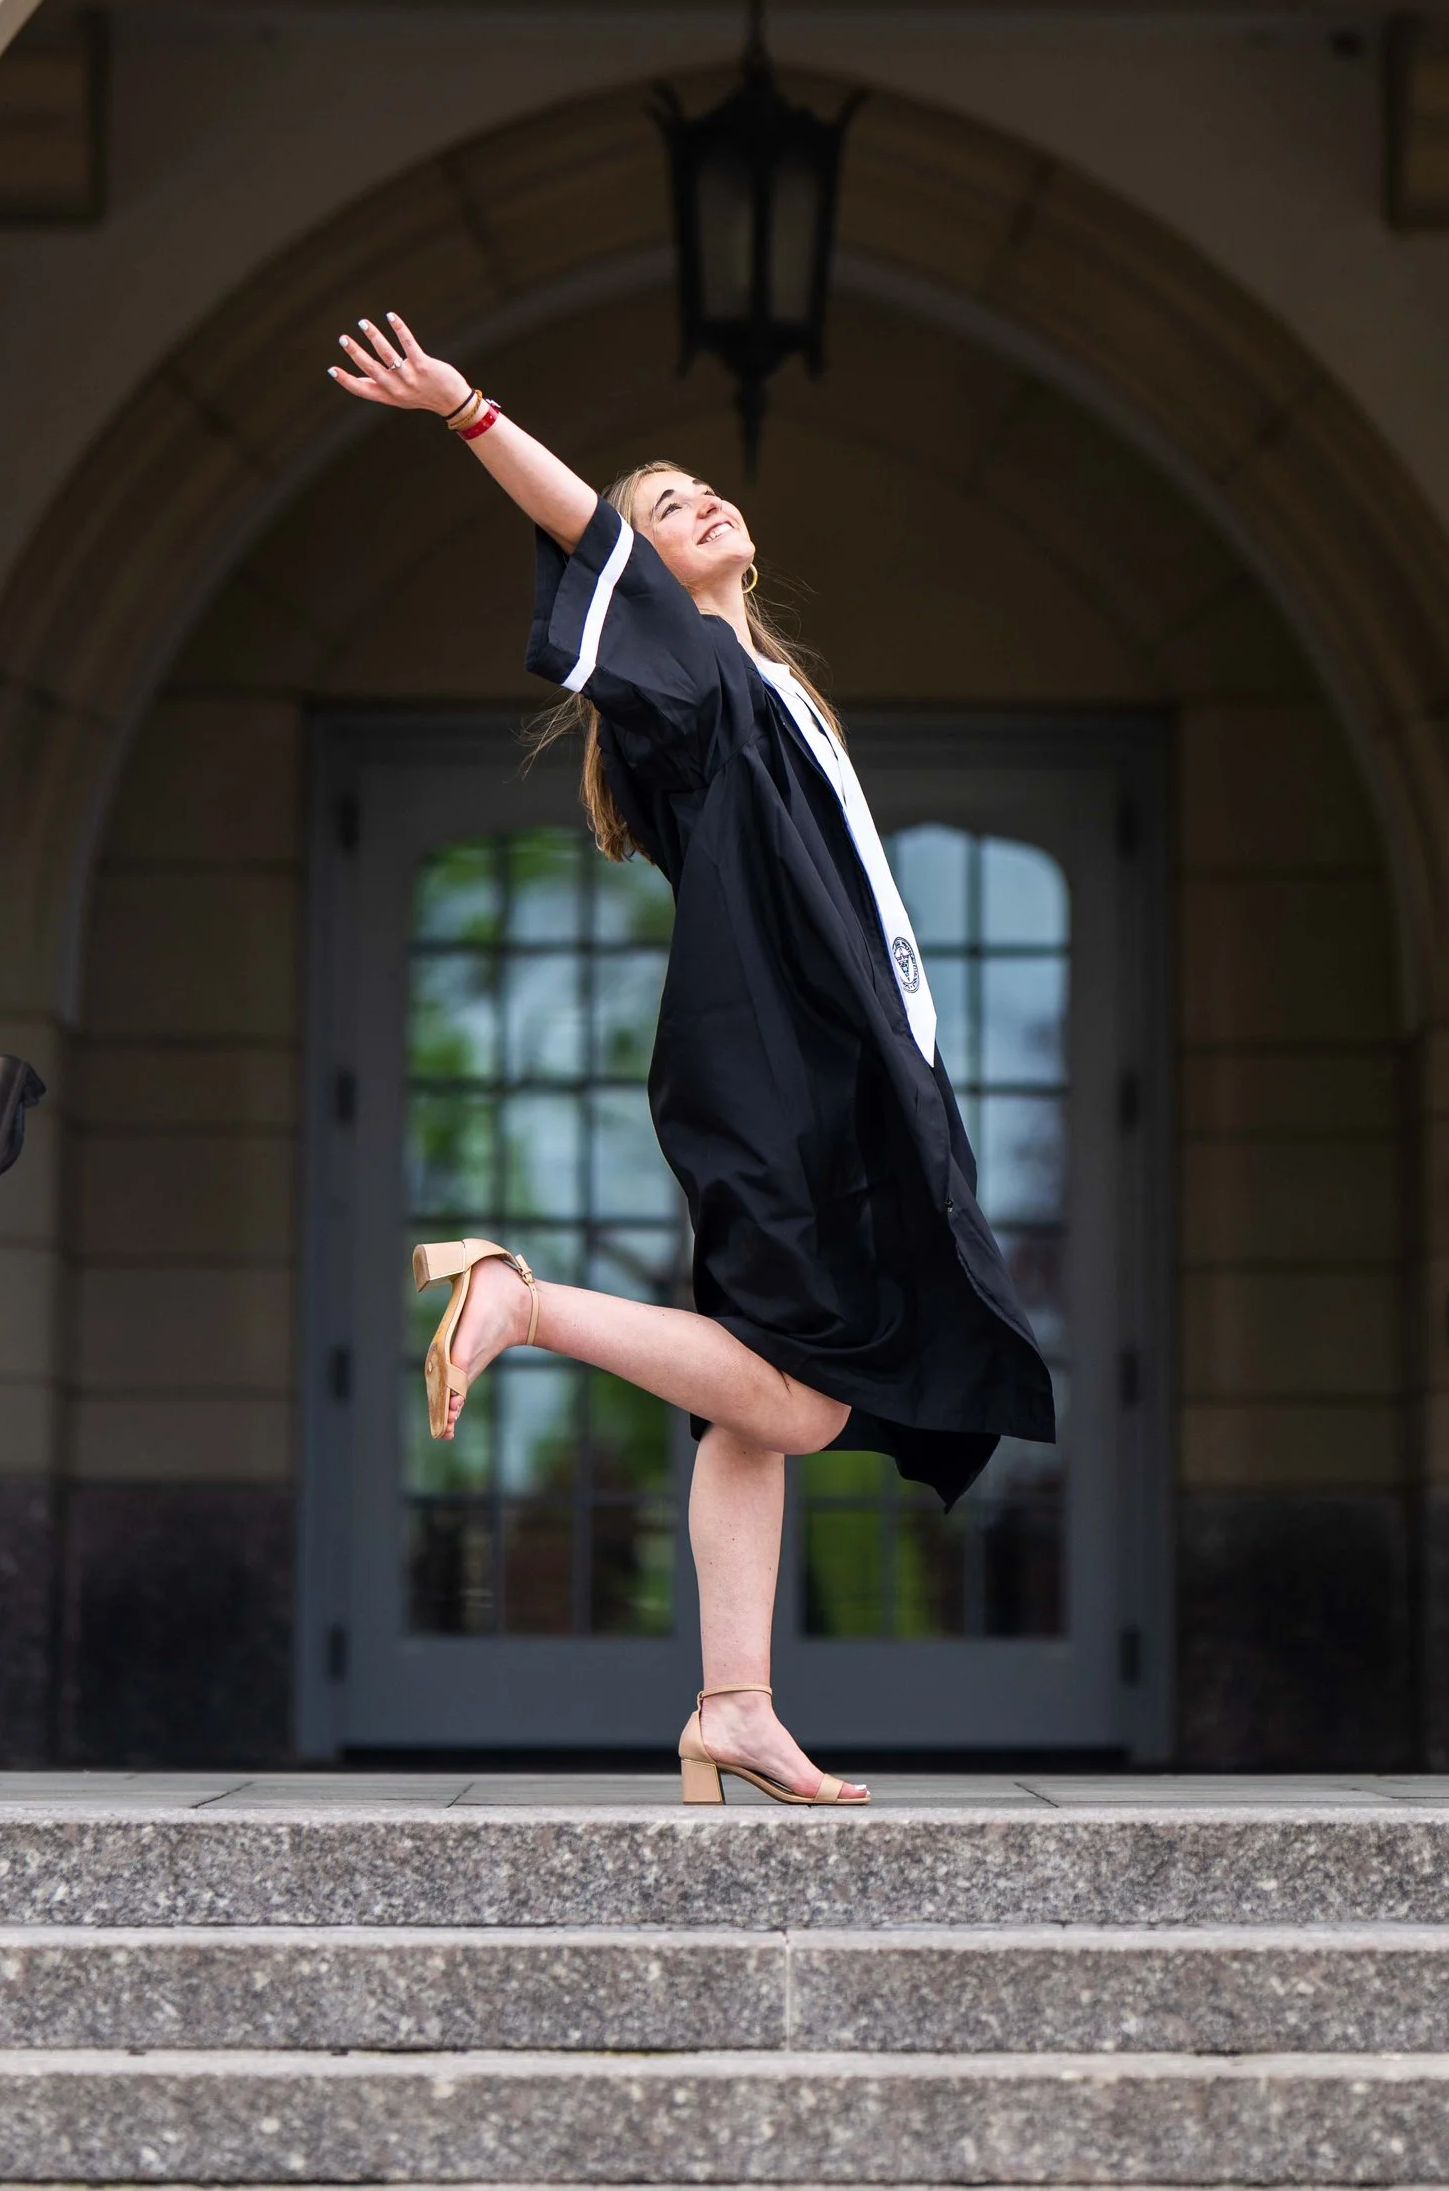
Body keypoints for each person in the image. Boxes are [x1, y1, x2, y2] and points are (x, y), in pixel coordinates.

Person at [328, 311, 1056, 1808]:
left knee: (757, 1401)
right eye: (667, 510)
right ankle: (521, 1301)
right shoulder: (688, 691)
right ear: (637, 587)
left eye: (703, 492)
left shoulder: (770, 689)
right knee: (798, 1399)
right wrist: (469, 411)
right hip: (782, 1080)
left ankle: (734, 1704)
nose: (696, 505)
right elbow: (580, 525)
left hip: (830, 1077)